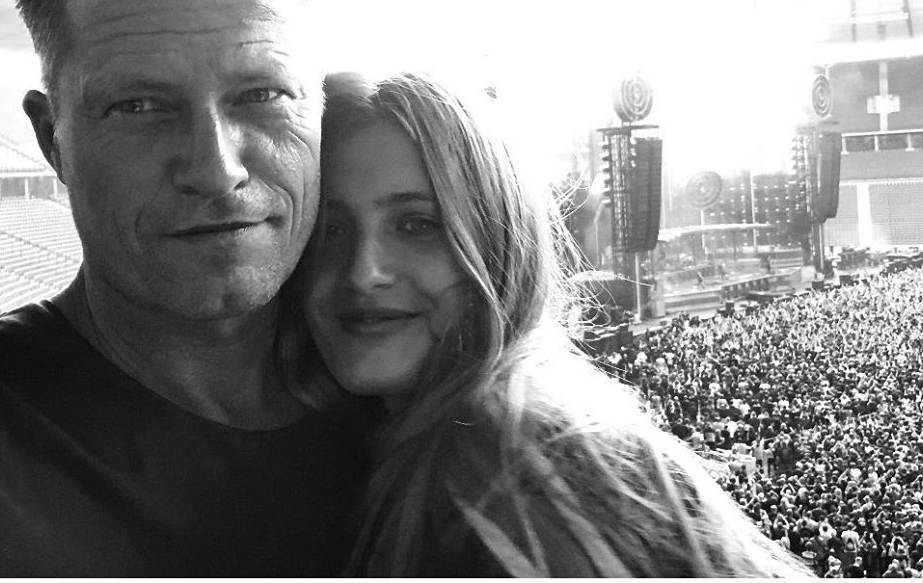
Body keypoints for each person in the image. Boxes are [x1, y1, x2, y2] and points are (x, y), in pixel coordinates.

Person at [0, 0, 369, 575]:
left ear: (320, 112)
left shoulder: (417, 402)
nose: (215, 167)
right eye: (139, 106)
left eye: (262, 95)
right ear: (53, 141)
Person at [283, 70, 811, 577]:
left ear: (498, 242)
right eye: (330, 229)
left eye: (417, 225)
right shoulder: (424, 442)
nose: (363, 271)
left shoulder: (513, 470)